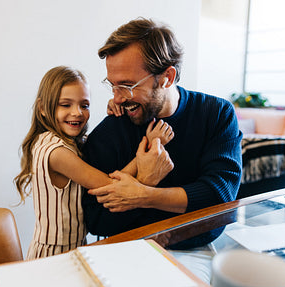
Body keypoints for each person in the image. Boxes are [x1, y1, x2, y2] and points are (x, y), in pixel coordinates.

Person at [82, 18, 243, 248]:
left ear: (167, 77)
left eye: (127, 86)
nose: (117, 98)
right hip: (127, 251)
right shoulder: (110, 132)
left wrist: (142, 194)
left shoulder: (216, 114)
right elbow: (96, 222)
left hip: (197, 250)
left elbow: (220, 196)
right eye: (112, 85)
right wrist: (145, 180)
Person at [14, 66, 175, 259]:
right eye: (65, 105)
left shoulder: (64, 143)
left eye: (84, 105)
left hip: (75, 246)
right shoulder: (57, 153)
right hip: (54, 253)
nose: (77, 113)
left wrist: (119, 107)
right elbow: (112, 186)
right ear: (42, 108)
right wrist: (148, 147)